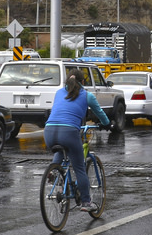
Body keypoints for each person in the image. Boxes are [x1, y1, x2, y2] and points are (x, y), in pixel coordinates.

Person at [44, 69, 111, 212]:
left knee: (61, 148)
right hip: (68, 132)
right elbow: (100, 113)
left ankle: (54, 171)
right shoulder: (87, 96)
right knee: (79, 167)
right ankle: (86, 203)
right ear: (83, 82)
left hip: (49, 131)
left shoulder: (59, 93)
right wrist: (107, 124)